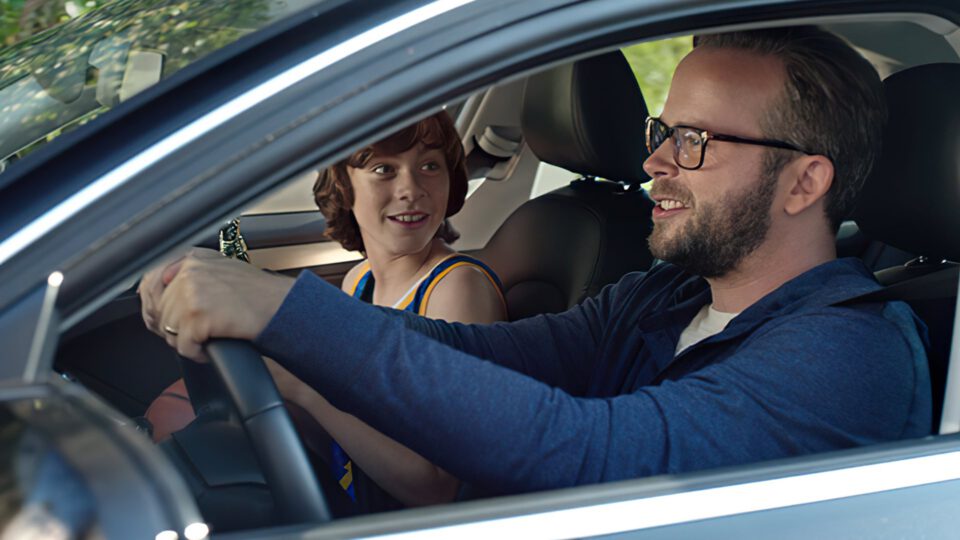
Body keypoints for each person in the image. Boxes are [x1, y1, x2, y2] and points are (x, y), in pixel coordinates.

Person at [141, 27, 932, 500]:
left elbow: (589, 453)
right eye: (662, 130)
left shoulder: (851, 351)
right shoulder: (663, 297)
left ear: (805, 181)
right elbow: (485, 353)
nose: (655, 160)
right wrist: (281, 324)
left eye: (694, 141)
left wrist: (286, 316)